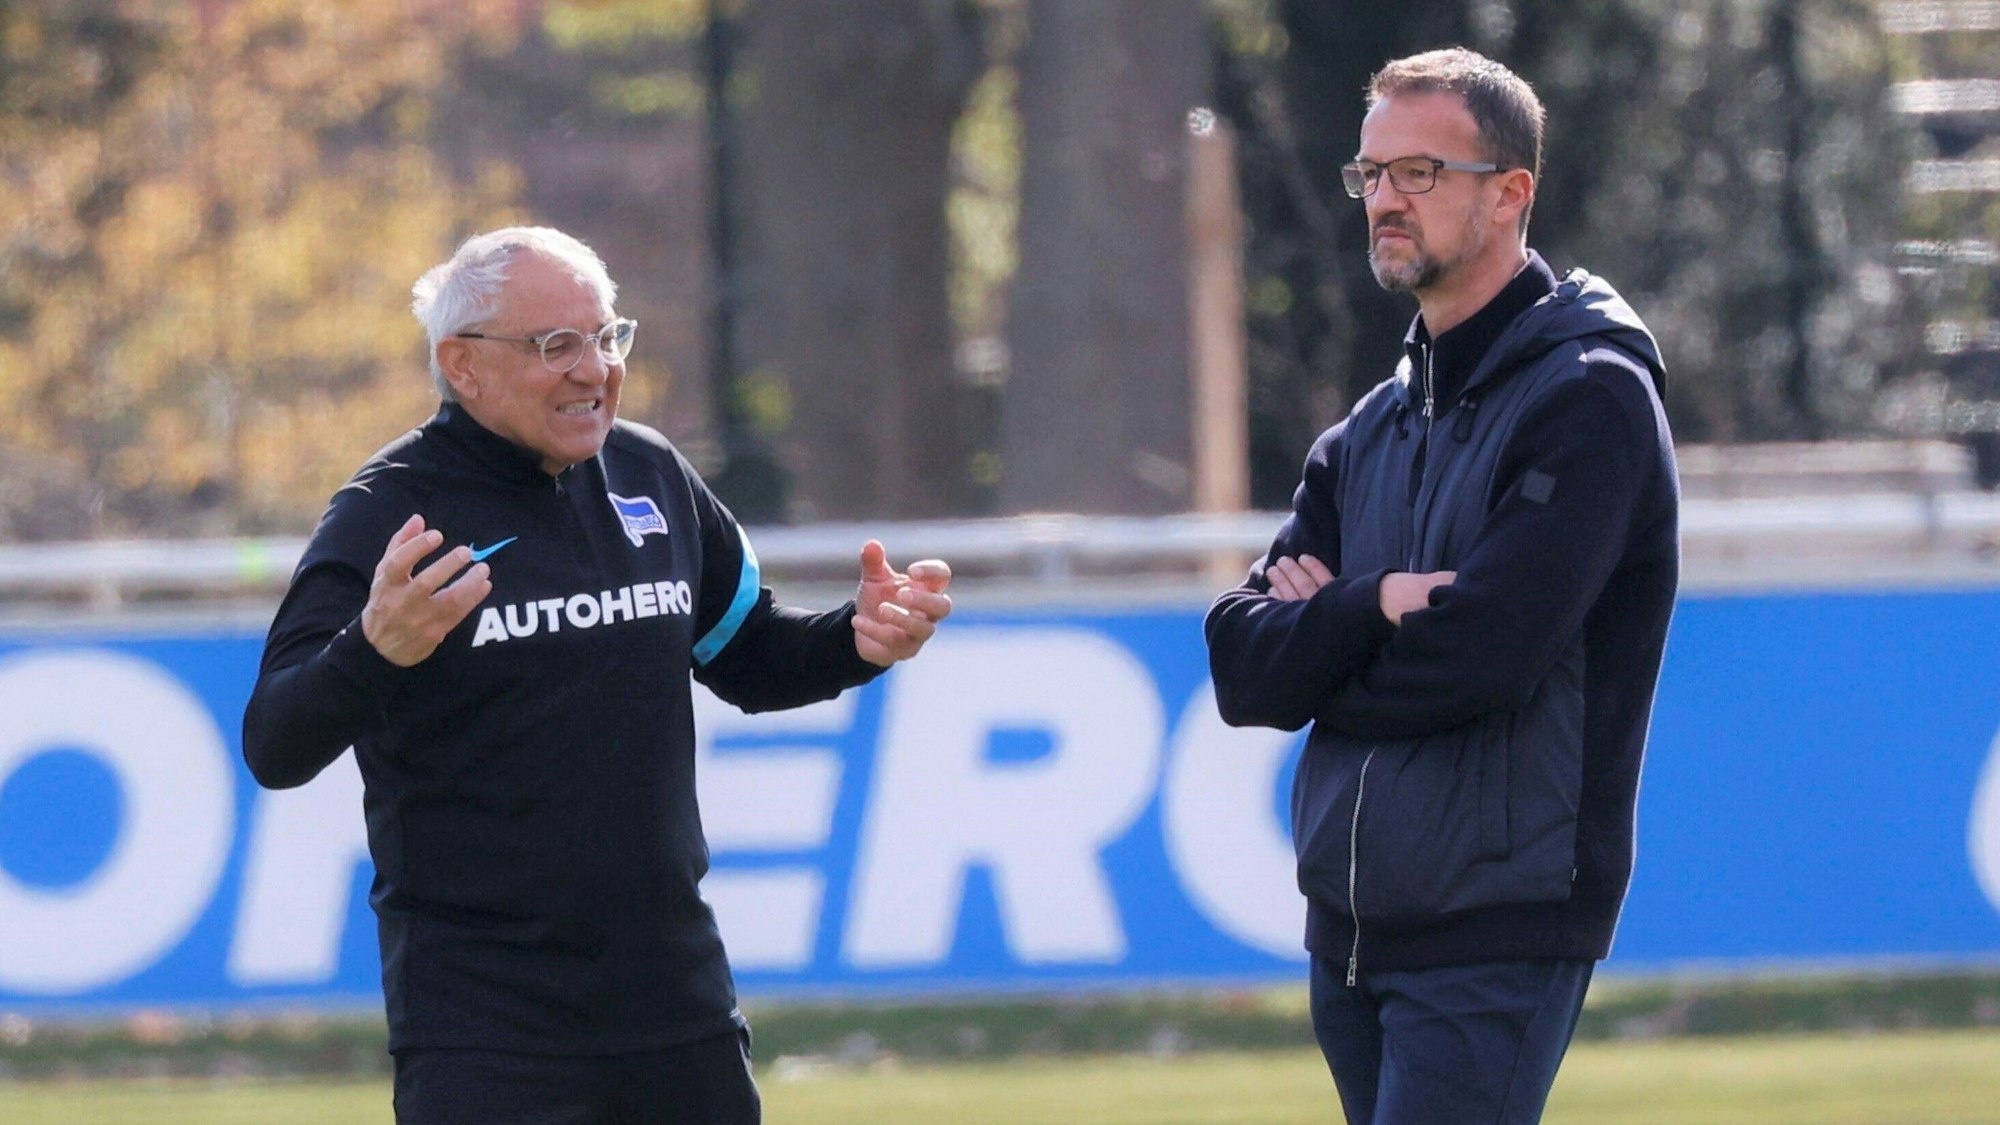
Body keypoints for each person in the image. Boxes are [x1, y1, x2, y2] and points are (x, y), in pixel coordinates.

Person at [242, 226, 952, 1124]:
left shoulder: (651, 474)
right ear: (462, 365)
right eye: (554, 345)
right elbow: (274, 740)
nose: (593, 369)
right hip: (486, 1027)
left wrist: (857, 636)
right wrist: (372, 647)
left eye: (606, 336)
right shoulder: (388, 513)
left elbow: (748, 657)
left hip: (675, 1004)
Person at [1204, 49, 1677, 1124]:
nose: (1382, 200)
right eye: (1369, 174)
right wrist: (1365, 607)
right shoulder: (1366, 430)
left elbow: (1484, 655)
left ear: (1509, 192)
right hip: (1350, 926)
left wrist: (1321, 661)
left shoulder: (1589, 398)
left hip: (1499, 918)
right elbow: (1241, 667)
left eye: (1417, 173)